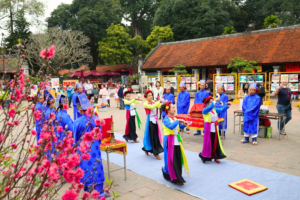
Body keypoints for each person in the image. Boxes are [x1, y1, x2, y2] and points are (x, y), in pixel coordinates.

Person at [73, 93, 106, 197]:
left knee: (86, 167)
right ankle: (99, 191)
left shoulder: (77, 122)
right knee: (97, 167)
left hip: (84, 149)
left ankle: (87, 190)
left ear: (80, 109)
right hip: (95, 147)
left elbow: (75, 139)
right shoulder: (96, 119)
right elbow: (100, 135)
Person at [162, 101, 189, 185]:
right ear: (168, 109)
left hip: (176, 139)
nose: (174, 109)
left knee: (177, 158)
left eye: (174, 107)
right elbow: (170, 126)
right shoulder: (166, 118)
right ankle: (172, 176)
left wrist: (184, 124)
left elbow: (178, 127)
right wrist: (178, 121)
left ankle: (178, 176)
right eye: (173, 107)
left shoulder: (175, 118)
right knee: (171, 159)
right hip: (169, 140)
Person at [199, 96, 229, 164]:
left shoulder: (214, 110)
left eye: (212, 102)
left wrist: (227, 105)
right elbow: (209, 108)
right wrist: (215, 101)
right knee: (208, 143)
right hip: (208, 129)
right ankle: (204, 155)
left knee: (215, 143)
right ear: (206, 104)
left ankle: (215, 157)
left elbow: (222, 110)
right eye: (211, 102)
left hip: (215, 128)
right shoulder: (205, 110)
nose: (212, 103)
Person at [142, 90, 164, 160]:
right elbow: (152, 107)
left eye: (151, 95)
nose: (151, 96)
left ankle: (148, 149)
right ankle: (155, 152)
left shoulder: (153, 102)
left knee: (155, 136)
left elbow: (160, 106)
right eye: (149, 95)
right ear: (146, 97)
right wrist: (158, 102)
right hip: (150, 121)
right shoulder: (145, 103)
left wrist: (164, 103)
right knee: (152, 137)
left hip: (155, 121)